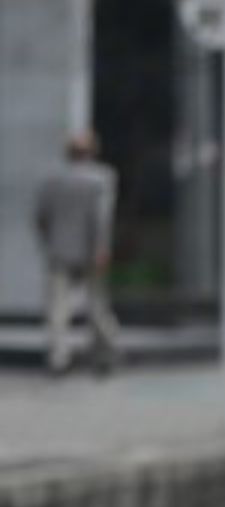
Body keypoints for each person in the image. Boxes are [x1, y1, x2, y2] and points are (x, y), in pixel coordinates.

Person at [34, 130, 122, 376]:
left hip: (59, 249)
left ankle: (58, 357)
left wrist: (48, 241)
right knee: (96, 305)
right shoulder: (102, 178)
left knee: (58, 307)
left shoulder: (52, 179)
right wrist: (101, 247)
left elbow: (41, 217)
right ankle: (106, 351)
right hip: (91, 249)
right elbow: (101, 218)